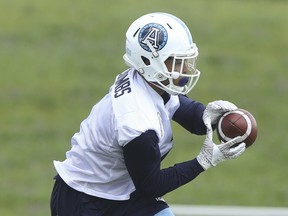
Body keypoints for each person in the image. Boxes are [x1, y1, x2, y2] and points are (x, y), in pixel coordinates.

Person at [50, 12, 246, 216]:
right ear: (150, 62)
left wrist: (211, 117)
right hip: (83, 200)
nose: (186, 68)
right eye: (177, 61)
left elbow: (185, 112)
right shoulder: (137, 121)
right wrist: (203, 161)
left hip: (123, 190)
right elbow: (151, 185)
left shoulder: (147, 81)